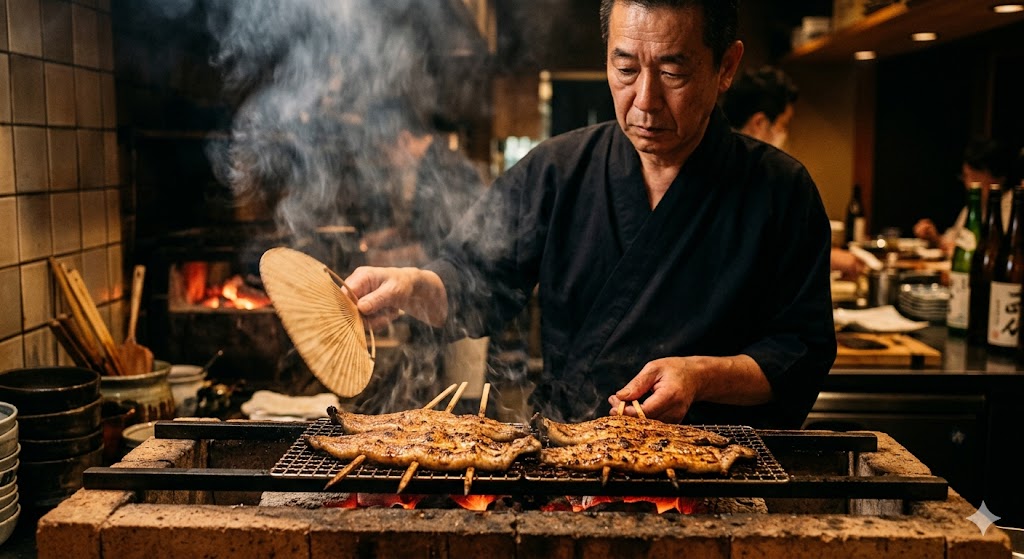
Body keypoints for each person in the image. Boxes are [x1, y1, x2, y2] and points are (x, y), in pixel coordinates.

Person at [344, 0, 837, 428]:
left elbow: (801, 353)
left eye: (673, 72)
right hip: (568, 462)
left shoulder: (781, 192)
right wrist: (413, 286)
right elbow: (474, 281)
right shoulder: (557, 170)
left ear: (726, 66)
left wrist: (701, 376)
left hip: (709, 475)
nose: (645, 100)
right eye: (625, 69)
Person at [721, 65, 864, 281]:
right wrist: (828, 257)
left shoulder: (747, 168)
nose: (784, 135)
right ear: (759, 123)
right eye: (783, 125)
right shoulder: (732, 173)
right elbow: (750, 253)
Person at [914, 137, 1016, 257]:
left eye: (974, 177)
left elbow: (1000, 253)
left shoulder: (1013, 207)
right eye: (966, 176)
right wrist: (935, 238)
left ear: (998, 177)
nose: (968, 184)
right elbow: (952, 240)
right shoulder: (975, 206)